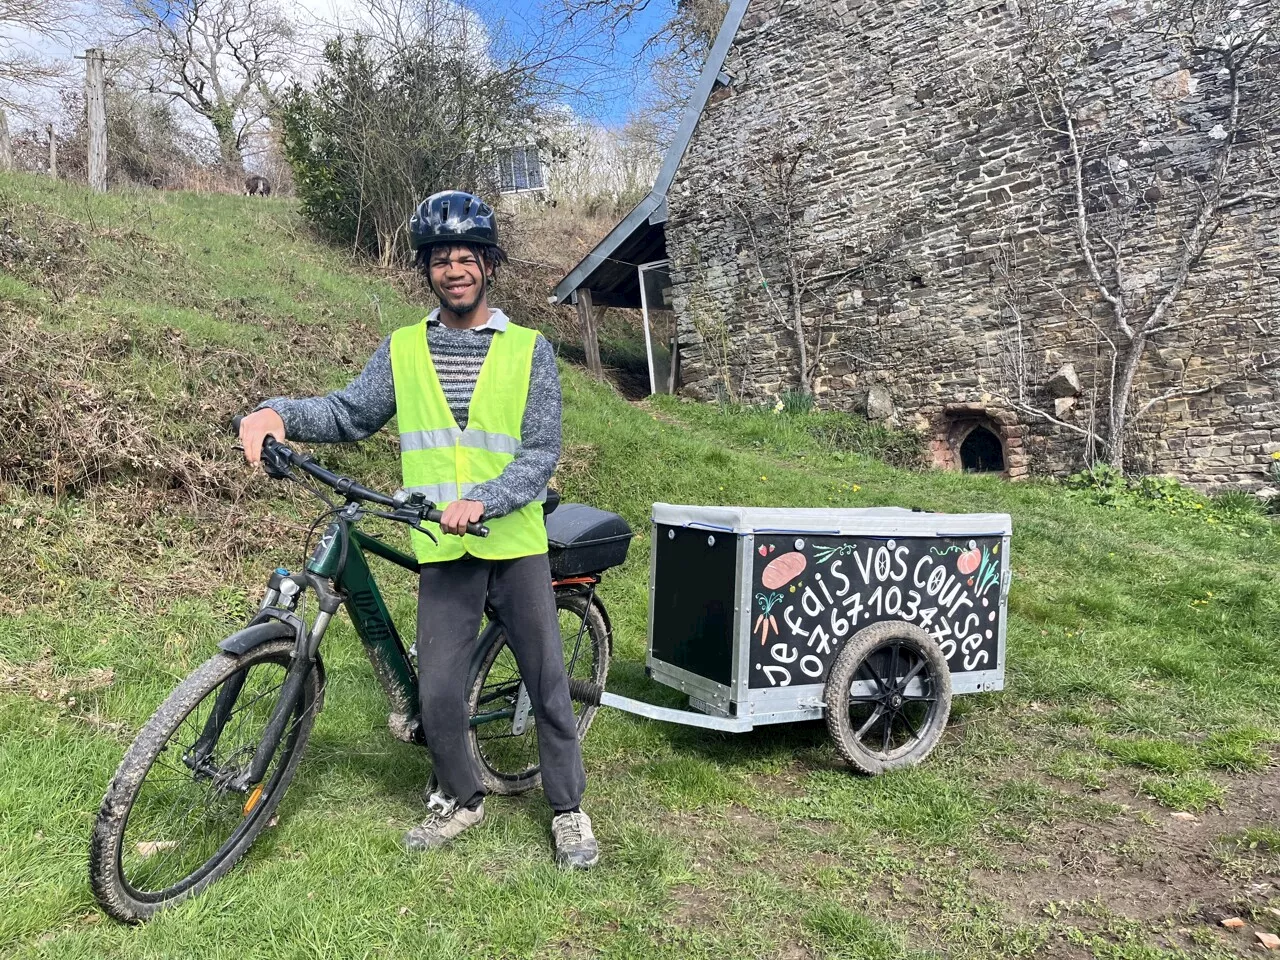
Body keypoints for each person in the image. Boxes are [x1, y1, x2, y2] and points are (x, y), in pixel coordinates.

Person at [237, 190, 598, 869]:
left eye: (467, 257)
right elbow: (349, 413)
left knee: (548, 683)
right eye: (440, 259)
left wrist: (488, 499)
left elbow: (540, 451)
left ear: (489, 265)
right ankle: (462, 799)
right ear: (426, 271)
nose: (454, 269)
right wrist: (275, 413)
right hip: (442, 548)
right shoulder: (404, 348)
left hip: (513, 545)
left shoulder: (530, 350)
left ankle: (568, 808)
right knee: (436, 693)